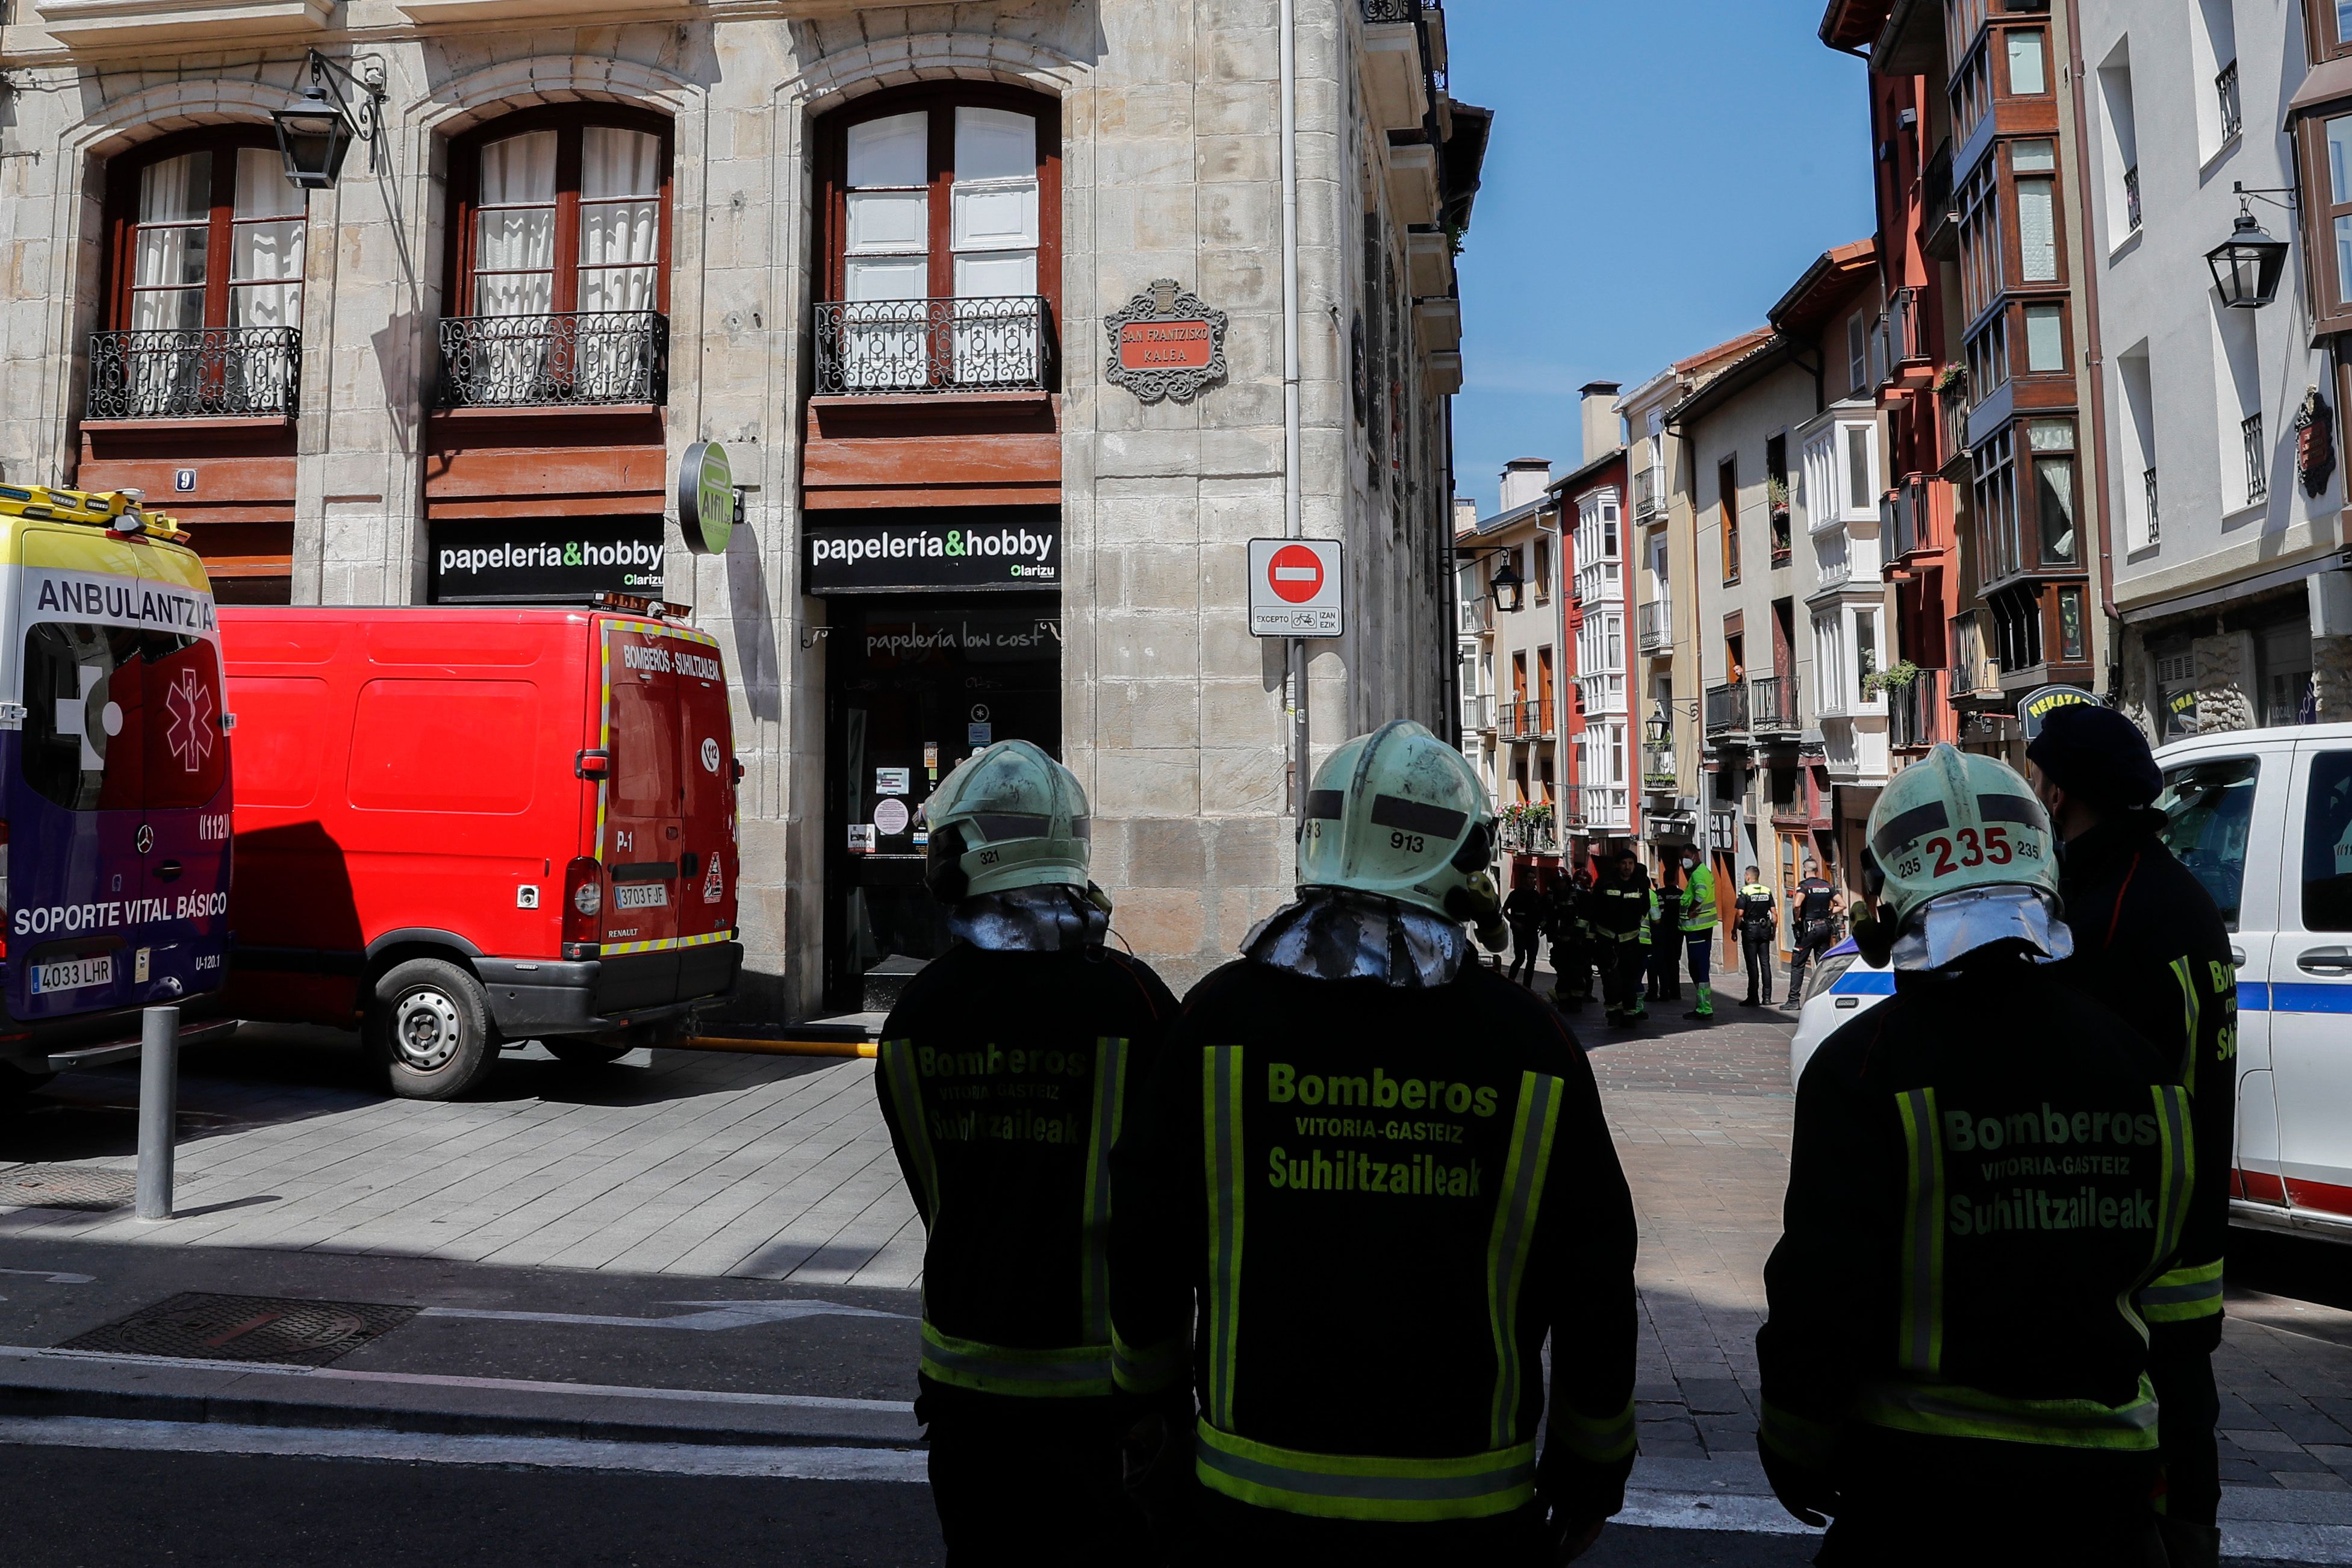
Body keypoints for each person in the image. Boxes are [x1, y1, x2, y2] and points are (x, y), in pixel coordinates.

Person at [1110, 720, 1638, 1567]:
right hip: (1469, 1517)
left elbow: (1140, 1239)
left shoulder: (1216, 1021)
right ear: (1461, 862)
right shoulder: (1531, 1045)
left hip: (1249, 1510)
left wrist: (1147, 1406)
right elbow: (1594, 1281)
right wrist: (1592, 1464)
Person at [1756, 745, 2191, 1567]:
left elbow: (1821, 1288)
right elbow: (2167, 1280)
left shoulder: (1862, 1068)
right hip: (2107, 1497)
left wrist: (1795, 1438)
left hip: (1919, 1494)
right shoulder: (2140, 1067)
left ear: (1883, 917)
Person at [871, 740, 1181, 1567]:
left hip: (967, 1392)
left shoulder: (916, 1016)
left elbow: (938, 1192)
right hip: (1103, 1401)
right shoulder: (1134, 1001)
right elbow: (1166, 1212)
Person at [2030, 704, 2236, 1568]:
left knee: (2142, 1422)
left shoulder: (2106, 911)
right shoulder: (2172, 890)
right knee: (2186, 1410)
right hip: (2187, 1226)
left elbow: (2073, 1070)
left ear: (2062, 789)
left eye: (2040, 775)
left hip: (2134, 1239)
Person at [1590, 849, 1650, 1026]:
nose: (1627, 867)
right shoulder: (1605, 883)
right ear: (1618, 865)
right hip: (1607, 940)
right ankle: (1613, 1011)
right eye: (1624, 863)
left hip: (1630, 942)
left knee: (1630, 979)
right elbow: (1595, 909)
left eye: (1631, 863)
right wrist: (1591, 938)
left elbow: (1644, 907)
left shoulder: (1640, 885)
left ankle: (1629, 1013)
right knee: (1611, 979)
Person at [1785, 860, 1841, 1006]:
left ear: (1805, 870)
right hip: (1825, 927)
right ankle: (1826, 997)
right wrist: (1828, 913)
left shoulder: (1804, 886)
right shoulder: (1827, 886)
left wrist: (1797, 919)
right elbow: (1842, 904)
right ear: (1817, 870)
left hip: (1808, 929)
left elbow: (1797, 904)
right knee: (1823, 963)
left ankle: (1793, 1000)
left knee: (1798, 964)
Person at [1678, 852, 1720, 1021]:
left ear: (1696, 856)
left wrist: (1691, 910)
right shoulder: (1703, 871)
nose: (1684, 860)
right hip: (1701, 928)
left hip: (1698, 928)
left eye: (1687, 856)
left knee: (1698, 967)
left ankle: (1704, 1008)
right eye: (1682, 857)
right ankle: (1702, 1005)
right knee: (1698, 967)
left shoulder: (1698, 875)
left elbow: (1701, 895)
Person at [1734, 867, 1777, 1007]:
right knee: (1765, 963)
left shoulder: (1745, 892)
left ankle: (1753, 997)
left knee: (1752, 965)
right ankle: (1767, 998)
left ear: (1748, 877)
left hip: (1750, 930)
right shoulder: (1767, 890)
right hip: (1765, 929)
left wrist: (1734, 930)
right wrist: (1773, 931)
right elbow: (1774, 915)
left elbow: (1740, 914)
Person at [1646, 862, 1681, 1004]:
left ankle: (1663, 990)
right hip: (1678, 933)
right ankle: (1676, 991)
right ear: (1675, 879)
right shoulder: (1681, 895)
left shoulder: (1659, 894)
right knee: (1674, 962)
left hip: (1662, 932)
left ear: (1665, 879)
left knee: (1662, 962)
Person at [1504, 868, 1546, 985]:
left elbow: (1541, 914)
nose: (1532, 880)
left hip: (1532, 932)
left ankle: (1527, 986)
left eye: (1534, 878)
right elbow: (1505, 910)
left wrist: (1543, 925)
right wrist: (1514, 923)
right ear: (1524, 879)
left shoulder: (1536, 895)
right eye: (1529, 878)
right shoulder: (1516, 894)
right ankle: (1510, 982)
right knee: (1520, 958)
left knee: (1532, 960)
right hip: (1519, 932)